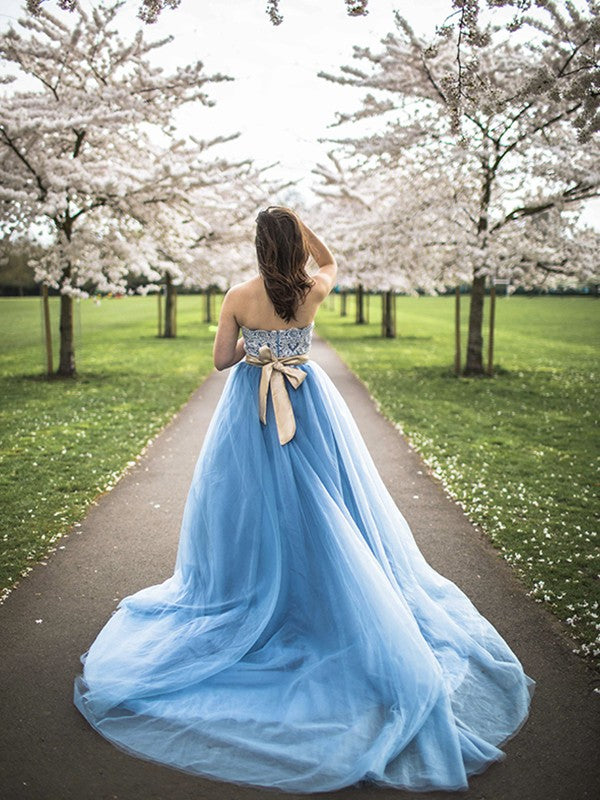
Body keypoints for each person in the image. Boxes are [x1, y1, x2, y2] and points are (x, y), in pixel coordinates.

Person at [73, 206, 536, 794]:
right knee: (324, 501)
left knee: (250, 507)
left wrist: (253, 351)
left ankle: (253, 589)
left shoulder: (239, 295)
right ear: (292, 244)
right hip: (308, 400)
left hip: (250, 410)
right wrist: (302, 230)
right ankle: (316, 586)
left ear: (256, 244)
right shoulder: (312, 288)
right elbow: (332, 260)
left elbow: (220, 360)